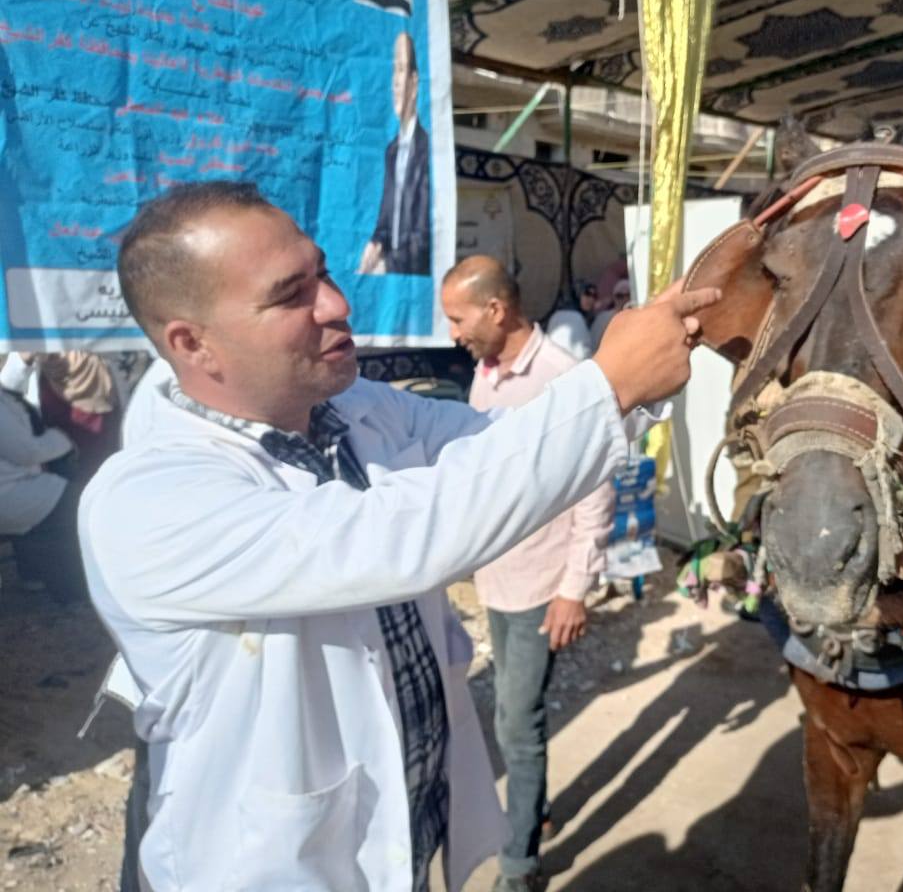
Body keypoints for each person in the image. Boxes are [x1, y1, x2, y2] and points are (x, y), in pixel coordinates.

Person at [79, 181, 718, 891]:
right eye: (291, 295)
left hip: (406, 828)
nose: (337, 304)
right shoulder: (145, 503)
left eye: (322, 272)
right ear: (192, 342)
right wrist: (609, 386)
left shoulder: (351, 409)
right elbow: (405, 530)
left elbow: (493, 443)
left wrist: (639, 370)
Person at [440, 258, 613, 891]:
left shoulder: (561, 382)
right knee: (513, 718)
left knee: (518, 722)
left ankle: (520, 865)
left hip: (542, 586)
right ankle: (532, 812)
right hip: (499, 579)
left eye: (458, 318)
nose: (453, 332)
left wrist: (574, 589)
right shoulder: (485, 376)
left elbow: (594, 490)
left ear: (496, 310)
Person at [0, 372, 80, 598]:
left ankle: (32, 575)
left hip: (12, 490)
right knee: (76, 502)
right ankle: (70, 590)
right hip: (9, 494)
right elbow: (28, 452)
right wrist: (65, 438)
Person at [359, 32, 432, 275]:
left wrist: (390, 264)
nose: (395, 82)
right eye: (393, 71)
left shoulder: (428, 150)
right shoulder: (392, 151)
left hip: (415, 275)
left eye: (400, 70)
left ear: (414, 82)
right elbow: (387, 220)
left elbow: (425, 233)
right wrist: (375, 244)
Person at [590, 277, 632, 351]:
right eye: (620, 296)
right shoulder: (603, 318)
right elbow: (594, 344)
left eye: (628, 295)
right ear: (614, 297)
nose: (625, 299)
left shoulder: (639, 317)